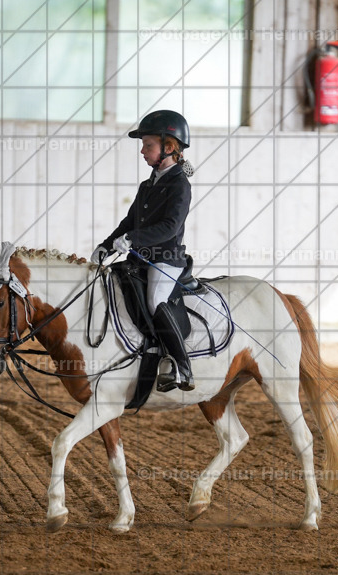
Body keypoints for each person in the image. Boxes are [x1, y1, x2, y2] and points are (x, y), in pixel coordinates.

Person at [92, 110, 195, 392]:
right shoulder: (147, 185)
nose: (142, 150)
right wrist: (107, 243)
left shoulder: (179, 185)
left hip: (166, 259)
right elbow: (129, 221)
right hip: (140, 258)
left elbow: (170, 228)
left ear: (169, 147)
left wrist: (132, 238)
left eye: (148, 145)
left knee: (154, 300)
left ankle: (183, 367)